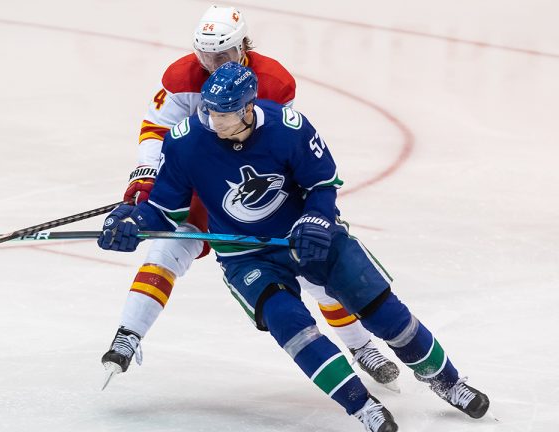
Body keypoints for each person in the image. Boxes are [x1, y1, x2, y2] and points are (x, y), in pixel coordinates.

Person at [97, 62, 490, 431]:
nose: (213, 121)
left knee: (383, 311)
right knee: (291, 326)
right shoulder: (187, 142)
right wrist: (134, 221)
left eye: (224, 115)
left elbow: (322, 184)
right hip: (246, 255)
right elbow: (165, 211)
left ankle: (447, 382)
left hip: (307, 238)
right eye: (210, 113)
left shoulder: (289, 128)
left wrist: (317, 218)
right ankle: (362, 405)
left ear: (248, 108)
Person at [103, 4, 399, 390]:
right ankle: (129, 333)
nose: (211, 63)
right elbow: (155, 129)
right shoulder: (179, 77)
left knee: (311, 265)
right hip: (194, 178)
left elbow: (278, 148)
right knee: (164, 250)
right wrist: (146, 181)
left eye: (221, 54)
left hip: (255, 188)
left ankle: (361, 345)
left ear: (243, 46)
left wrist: (311, 210)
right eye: (204, 55)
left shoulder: (273, 82)